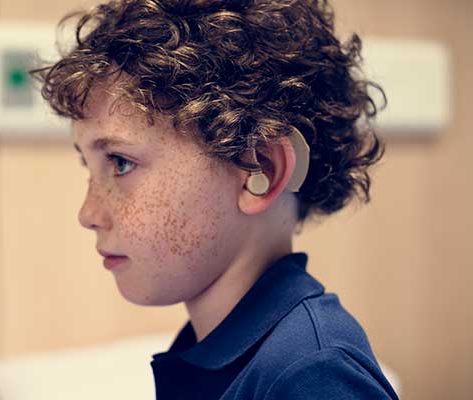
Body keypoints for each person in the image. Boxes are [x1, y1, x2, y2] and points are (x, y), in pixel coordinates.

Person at [30, 0, 398, 398]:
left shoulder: (314, 376)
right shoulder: (211, 354)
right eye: (90, 166)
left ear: (259, 171)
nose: (88, 214)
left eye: (120, 163)